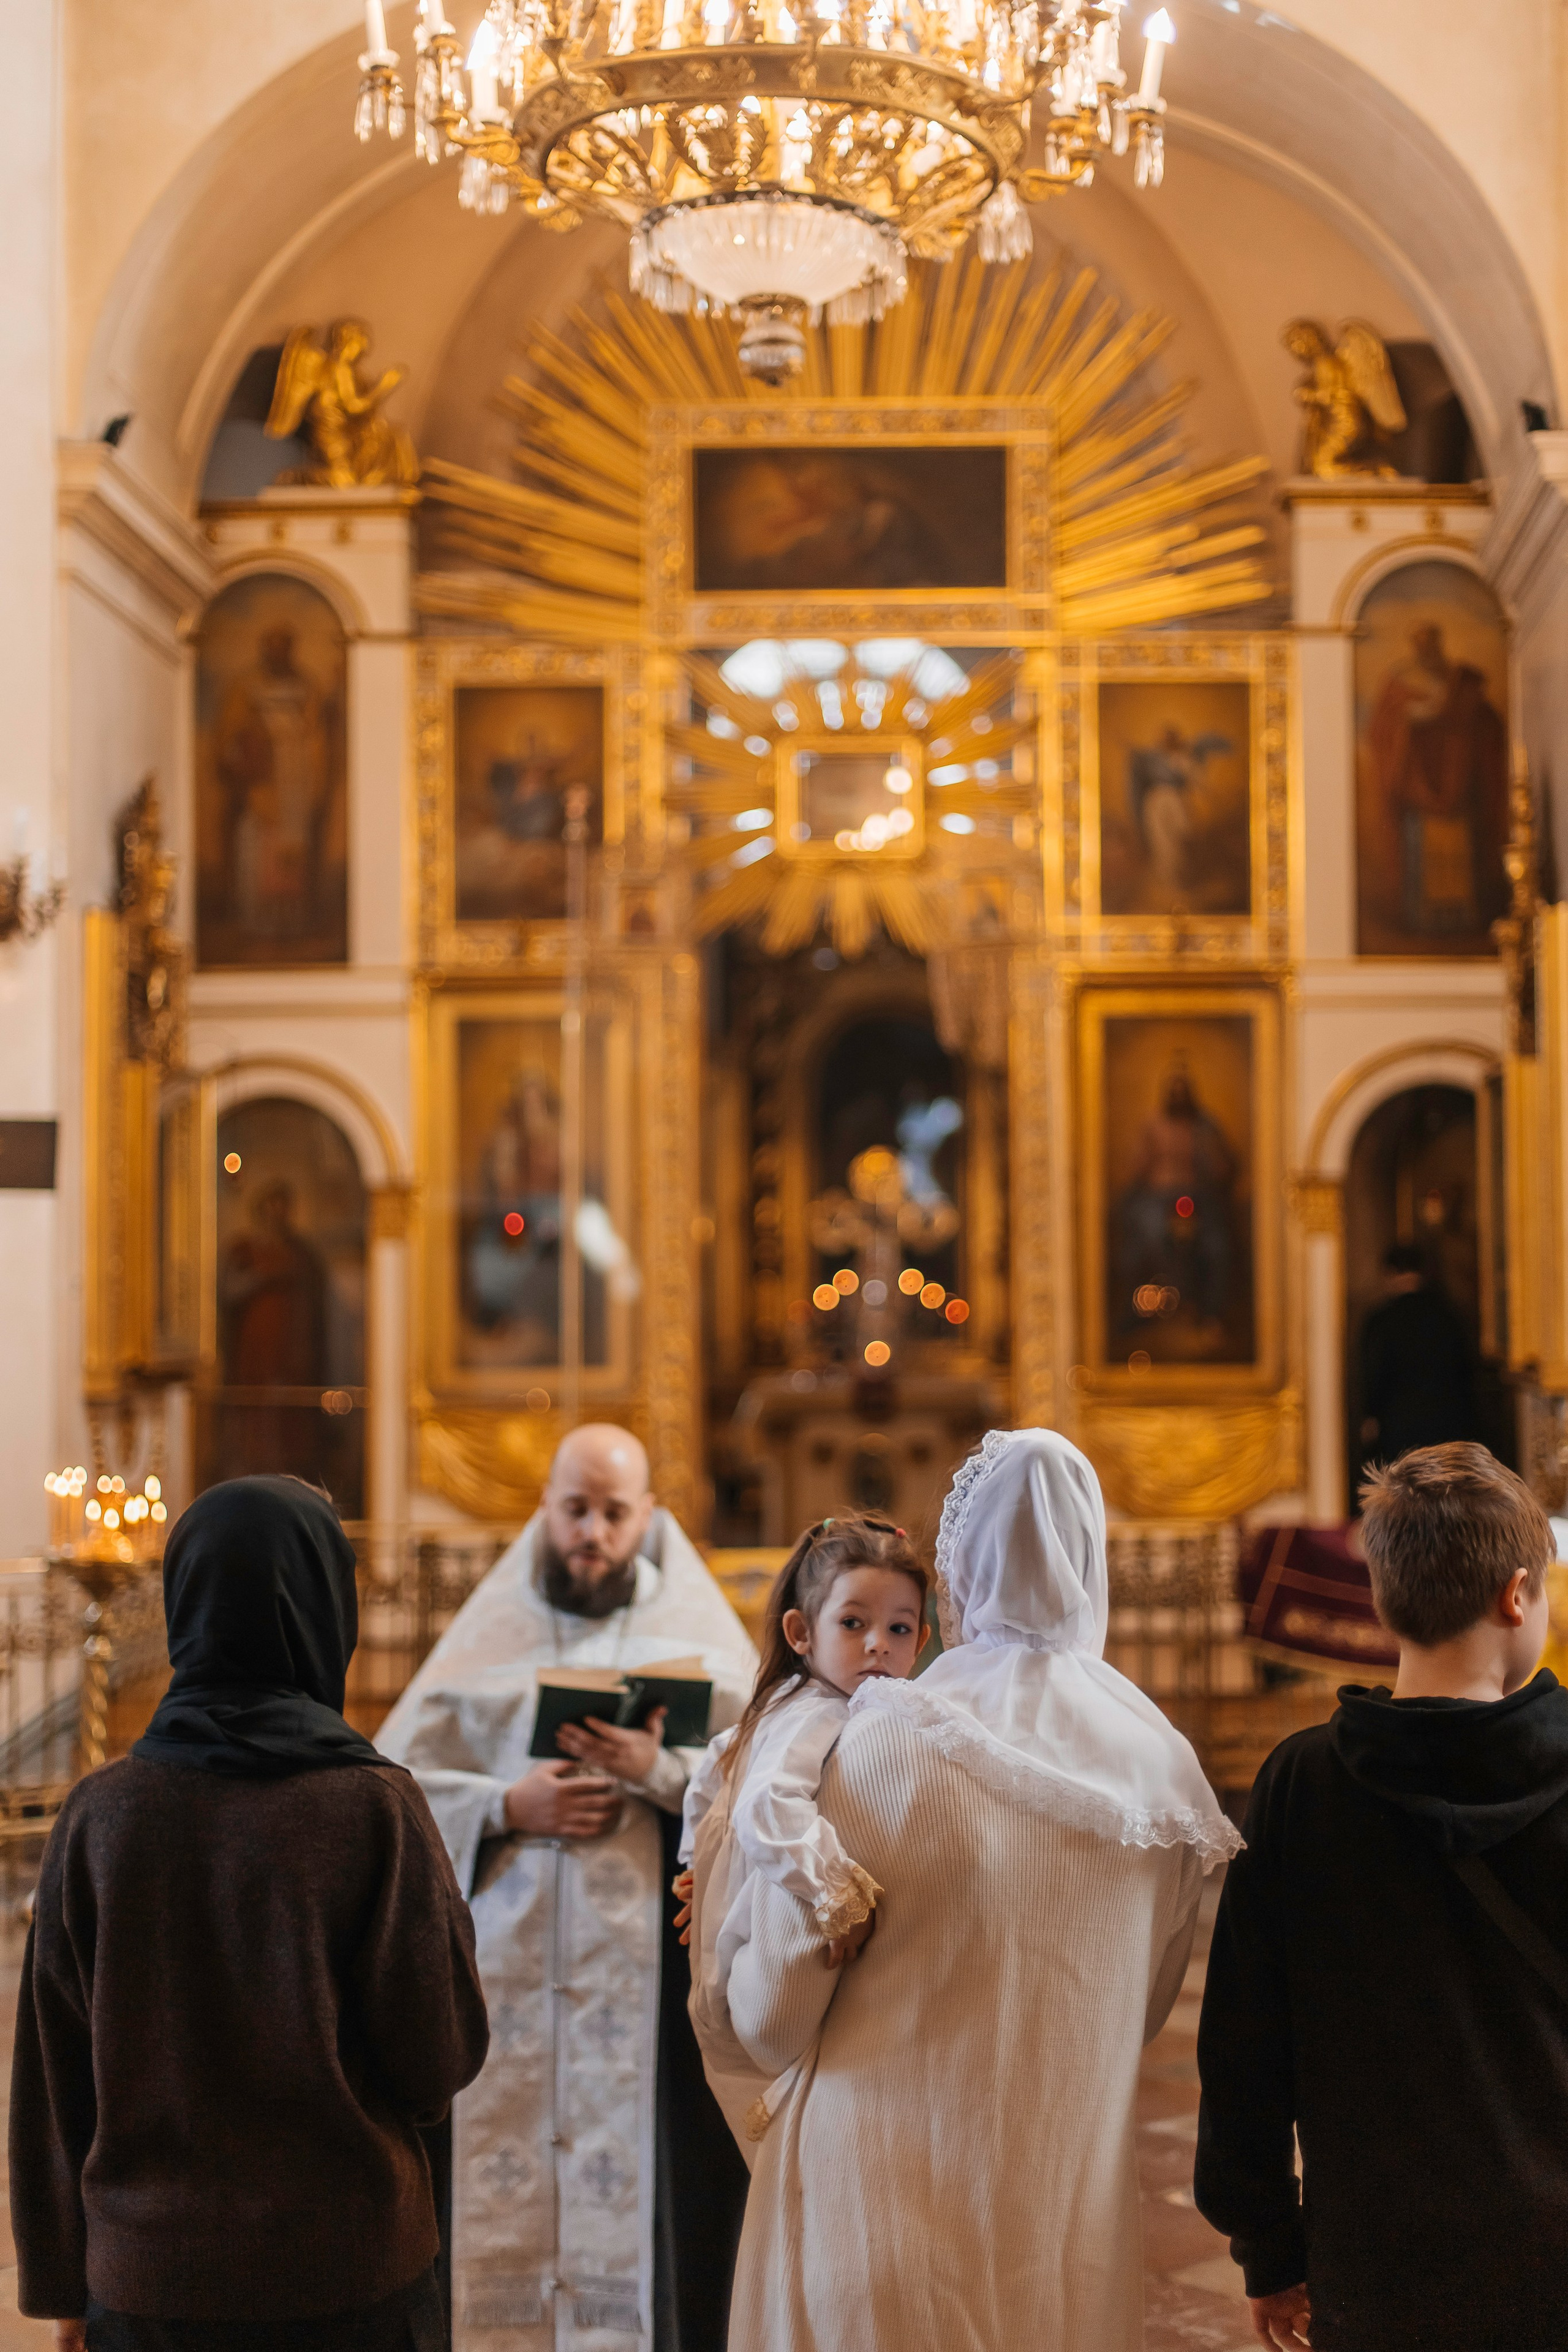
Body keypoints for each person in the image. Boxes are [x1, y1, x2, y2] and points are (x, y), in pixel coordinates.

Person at [701, 1428, 1239, 2351]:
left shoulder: (878, 1739)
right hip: (1062, 2231)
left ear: (956, 1577)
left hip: (875, 2216)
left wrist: (727, 1918)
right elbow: (1140, 2015)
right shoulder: (1164, 1775)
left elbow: (772, 2020)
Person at [10, 1476, 489, 2352]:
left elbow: (53, 2081)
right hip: (352, 2277)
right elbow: (438, 2058)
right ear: (322, 1605)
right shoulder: (374, 1809)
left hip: (149, 2282)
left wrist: (60, 2291)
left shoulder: (101, 1814)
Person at [375, 1423, 757, 2352]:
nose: (593, 1531)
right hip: (501, 1973)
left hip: (648, 1990)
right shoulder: (487, 1638)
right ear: (545, 1511)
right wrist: (507, 1802)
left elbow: (763, 1792)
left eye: (613, 1513)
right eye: (575, 1509)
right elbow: (389, 1791)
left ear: (649, 1519)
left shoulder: (700, 1646)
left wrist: (661, 1769)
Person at [1195, 1442, 1568, 2352]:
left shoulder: (1300, 1787)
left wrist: (1270, 2250)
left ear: (1382, 1595)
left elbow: (1245, 2045)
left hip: (1377, 2260)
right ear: (1517, 1596)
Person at [678, 1518, 929, 2153]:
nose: (878, 1644)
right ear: (800, 1632)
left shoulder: (786, 1701)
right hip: (760, 1945)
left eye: (898, 1629)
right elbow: (767, 1806)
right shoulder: (819, 1711)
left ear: (922, 1640)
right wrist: (838, 1894)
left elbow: (712, 1767)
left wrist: (691, 1865)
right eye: (853, 1623)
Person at [1357, 1239, 1478, 1463]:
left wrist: (1371, 1416)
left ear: (1390, 1272)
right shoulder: (1449, 1316)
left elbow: (1374, 1375)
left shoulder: (1380, 1321)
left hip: (1398, 1428)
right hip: (1447, 1427)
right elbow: (1465, 1375)